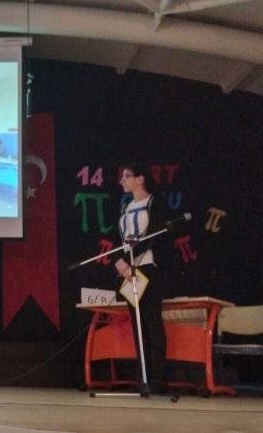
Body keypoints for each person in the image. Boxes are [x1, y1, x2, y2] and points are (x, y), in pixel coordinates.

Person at [114, 163, 172, 396]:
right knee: (137, 326)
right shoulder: (126, 207)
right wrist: (120, 262)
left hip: (148, 267)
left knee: (152, 324)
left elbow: (153, 237)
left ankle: (159, 379)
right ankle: (143, 378)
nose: (122, 181)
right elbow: (120, 240)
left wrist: (128, 259)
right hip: (129, 272)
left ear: (140, 179)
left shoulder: (155, 203)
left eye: (126, 176)